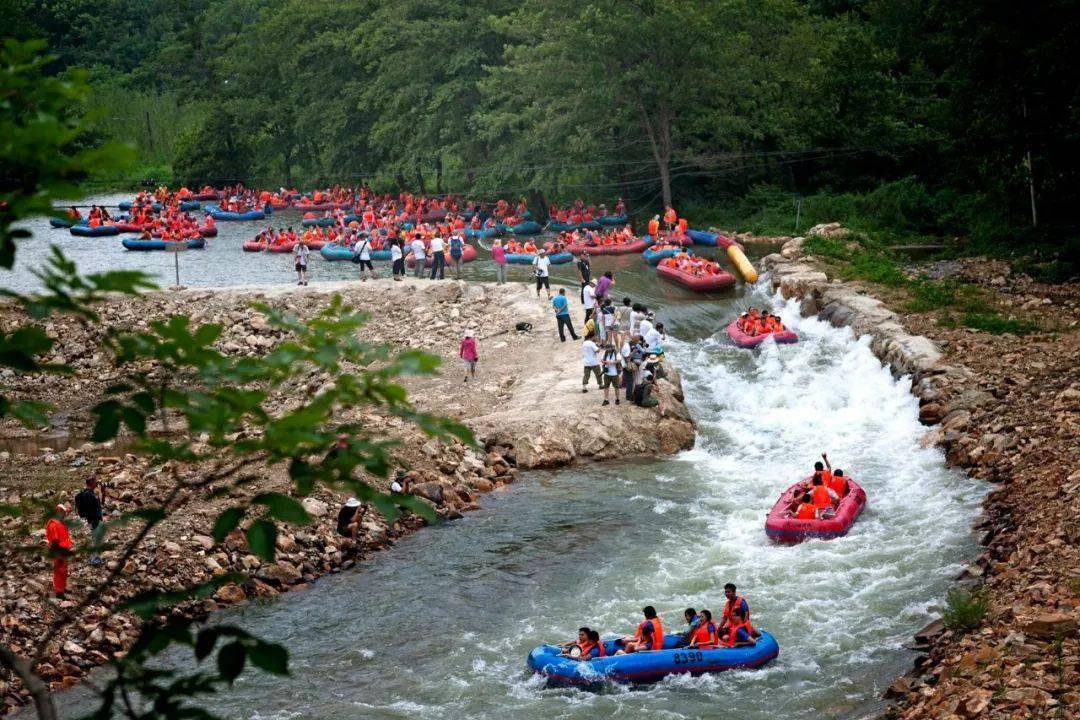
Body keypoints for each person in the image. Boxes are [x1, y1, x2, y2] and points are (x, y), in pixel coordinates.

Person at [74, 477, 105, 566]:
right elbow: (93, 507)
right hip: (93, 520)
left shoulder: (90, 494)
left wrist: (102, 492)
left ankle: (95, 558)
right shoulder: (88, 495)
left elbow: (100, 504)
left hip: (93, 520)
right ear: (91, 482)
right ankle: (95, 560)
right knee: (96, 540)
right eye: (95, 482)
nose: (97, 483)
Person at [45, 505, 73, 598]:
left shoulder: (59, 521)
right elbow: (54, 541)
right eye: (63, 513)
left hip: (63, 549)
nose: (65, 514)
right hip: (59, 550)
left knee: (63, 570)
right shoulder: (54, 524)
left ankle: (62, 587)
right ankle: (59, 591)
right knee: (60, 571)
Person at [600, 341, 621, 406]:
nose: (608, 350)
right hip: (607, 373)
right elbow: (601, 360)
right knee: (606, 387)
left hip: (615, 374)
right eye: (607, 348)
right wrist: (605, 362)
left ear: (612, 348)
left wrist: (611, 362)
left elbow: (619, 360)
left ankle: (617, 399)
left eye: (609, 348)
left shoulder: (616, 353)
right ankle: (606, 399)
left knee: (616, 387)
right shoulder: (605, 352)